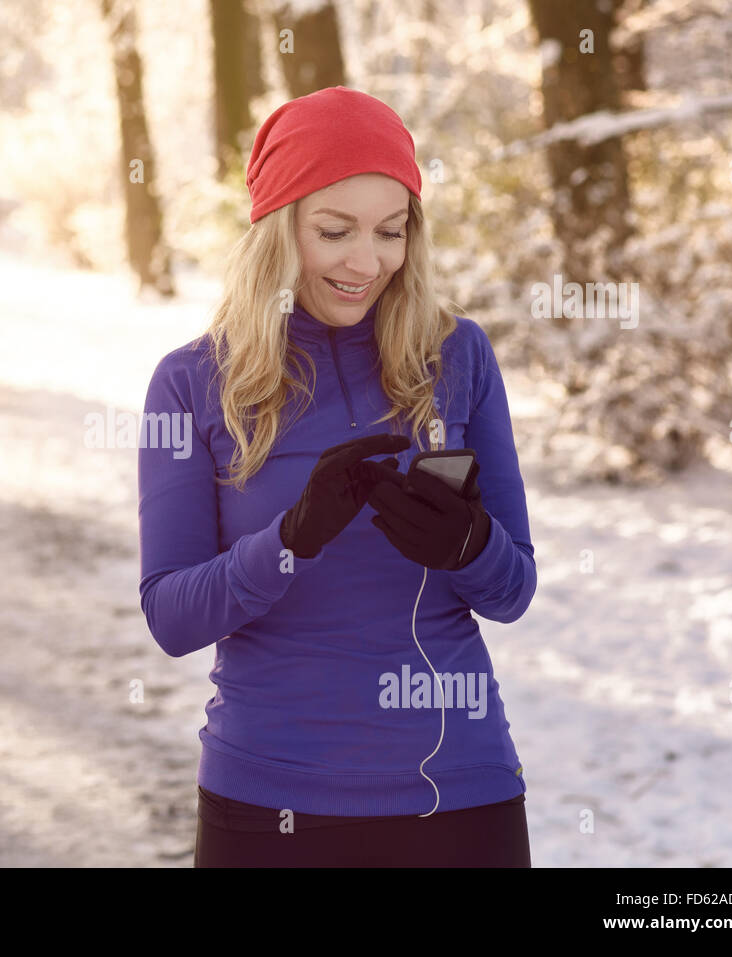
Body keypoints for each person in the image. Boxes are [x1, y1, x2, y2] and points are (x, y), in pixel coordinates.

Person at [136, 87, 537, 867]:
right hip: (270, 799)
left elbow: (514, 589)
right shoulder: (190, 383)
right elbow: (171, 617)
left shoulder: (458, 356)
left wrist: (470, 545)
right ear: (277, 231)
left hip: (460, 793)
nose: (367, 261)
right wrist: (286, 542)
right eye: (333, 231)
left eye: (391, 231)